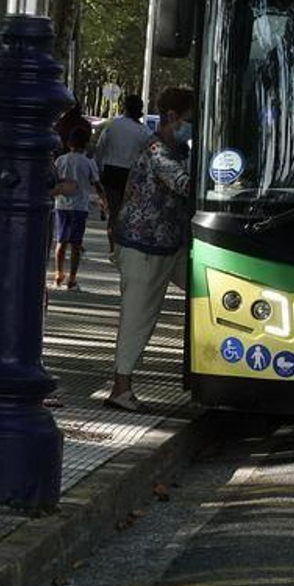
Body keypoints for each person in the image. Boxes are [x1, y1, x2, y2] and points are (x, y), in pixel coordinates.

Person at [106, 87, 195, 412]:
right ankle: (120, 387)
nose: (191, 126)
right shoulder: (158, 151)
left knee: (211, 290)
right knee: (138, 315)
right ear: (172, 117)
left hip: (172, 244)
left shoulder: (181, 149)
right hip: (143, 246)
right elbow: (185, 185)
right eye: (189, 120)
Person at [52, 127, 105, 290]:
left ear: (68, 143)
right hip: (80, 207)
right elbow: (96, 183)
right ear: (86, 144)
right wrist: (104, 200)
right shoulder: (88, 162)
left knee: (61, 241)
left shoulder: (60, 160)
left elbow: (53, 179)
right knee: (76, 243)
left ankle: (58, 274)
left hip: (61, 205)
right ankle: (72, 278)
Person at [94, 94, 153, 232]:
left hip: (111, 172)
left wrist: (98, 171)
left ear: (124, 107)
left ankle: (112, 246)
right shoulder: (144, 131)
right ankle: (121, 243)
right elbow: (148, 157)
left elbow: (100, 149)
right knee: (128, 213)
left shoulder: (113, 125)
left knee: (113, 213)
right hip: (132, 175)